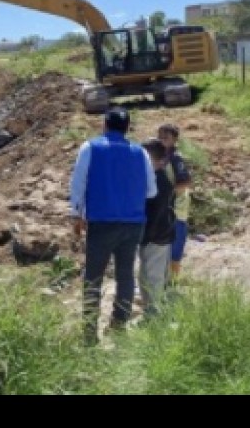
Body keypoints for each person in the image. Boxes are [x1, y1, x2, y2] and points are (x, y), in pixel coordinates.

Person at [69, 106, 157, 345]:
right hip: (133, 224)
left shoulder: (90, 148)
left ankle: (89, 333)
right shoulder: (141, 153)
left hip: (101, 223)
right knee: (125, 275)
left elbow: (78, 183)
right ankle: (119, 324)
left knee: (93, 277)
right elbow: (151, 191)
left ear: (105, 125)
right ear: (128, 128)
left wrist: (76, 215)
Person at [138, 138, 176, 318]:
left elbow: (158, 214)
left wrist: (146, 236)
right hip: (153, 235)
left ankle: (154, 315)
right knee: (146, 275)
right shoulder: (153, 178)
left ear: (160, 161)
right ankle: (151, 311)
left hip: (157, 236)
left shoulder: (159, 181)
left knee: (153, 277)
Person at [157, 123, 192, 281]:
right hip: (164, 210)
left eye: (166, 138)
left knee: (175, 248)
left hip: (176, 210)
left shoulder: (176, 159)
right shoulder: (161, 158)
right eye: (160, 137)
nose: (162, 140)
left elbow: (185, 182)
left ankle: (172, 281)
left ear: (174, 140)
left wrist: (167, 193)